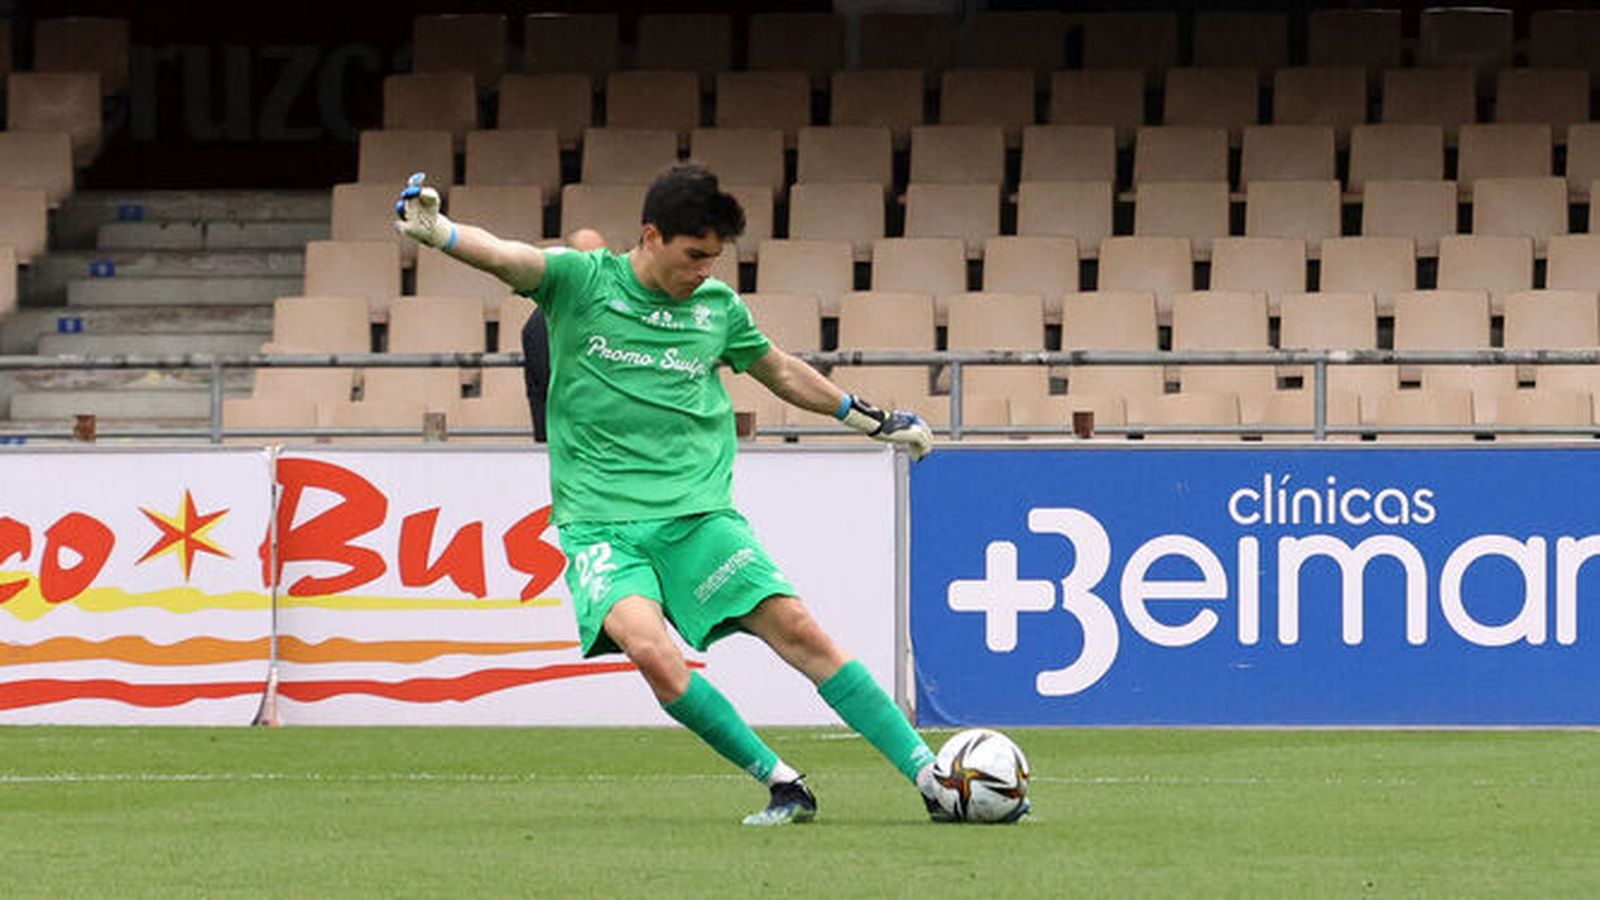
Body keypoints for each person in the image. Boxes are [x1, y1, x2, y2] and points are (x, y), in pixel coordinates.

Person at [395, 165, 1016, 826]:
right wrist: (441, 233)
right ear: (651, 236)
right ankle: (783, 783)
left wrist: (864, 417)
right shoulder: (582, 282)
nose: (702, 271)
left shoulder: (717, 308)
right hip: (600, 524)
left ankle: (930, 778)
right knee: (649, 650)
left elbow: (777, 368)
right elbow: (509, 258)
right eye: (693, 256)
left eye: (713, 259)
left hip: (697, 517)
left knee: (800, 631)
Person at [523, 228, 606, 441]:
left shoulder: (615, 311)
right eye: (589, 261)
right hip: (572, 450)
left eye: (603, 260)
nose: (598, 269)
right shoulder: (540, 325)